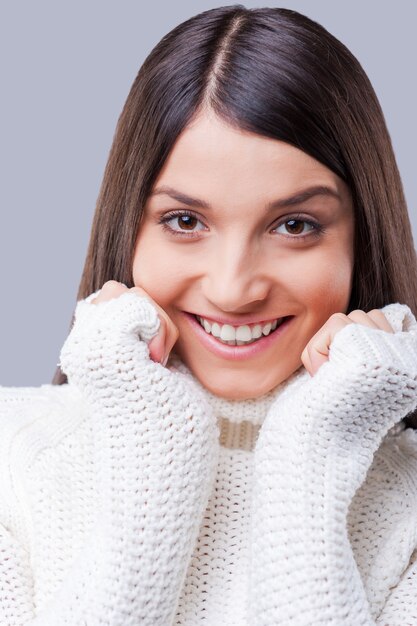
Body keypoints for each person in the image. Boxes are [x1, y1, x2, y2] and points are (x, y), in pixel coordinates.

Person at [1, 4, 417, 625]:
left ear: (362, 238)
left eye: (295, 225)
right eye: (185, 221)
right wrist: (151, 447)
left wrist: (312, 460)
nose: (232, 289)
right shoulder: (13, 459)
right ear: (130, 227)